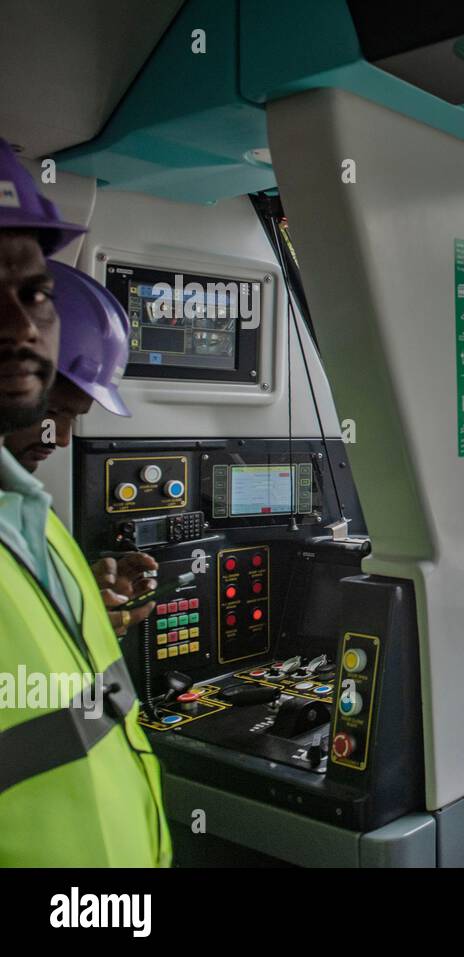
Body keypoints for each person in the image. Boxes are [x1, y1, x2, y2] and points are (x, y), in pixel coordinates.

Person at [0, 138, 171, 865]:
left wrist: (86, 621)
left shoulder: (38, 520)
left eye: (31, 294)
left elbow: (69, 724)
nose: (19, 330)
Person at [4, 260, 159, 636]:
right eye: (53, 412)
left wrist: (81, 593)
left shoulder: (27, 508)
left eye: (73, 418)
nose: (59, 438)